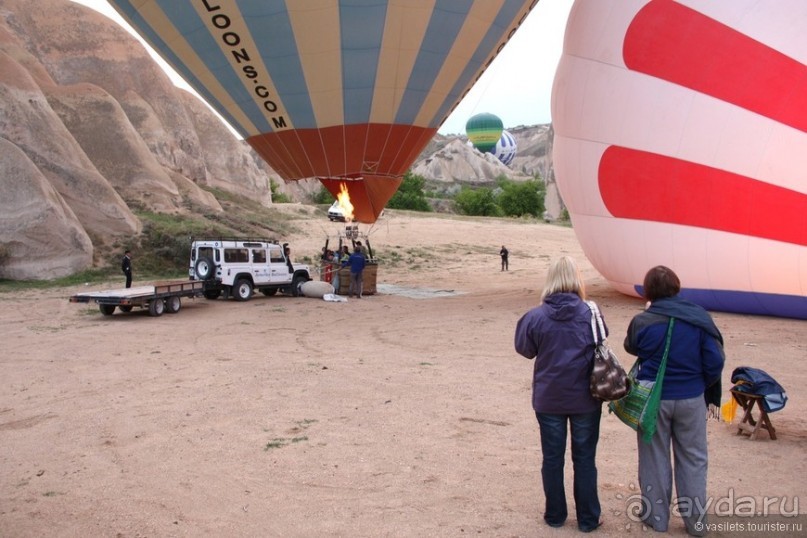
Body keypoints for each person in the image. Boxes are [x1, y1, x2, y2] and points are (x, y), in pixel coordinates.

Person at [623, 266, 724, 535]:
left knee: (654, 458)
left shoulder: (643, 321)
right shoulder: (698, 317)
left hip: (653, 400)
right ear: (677, 287)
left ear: (649, 291)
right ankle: (696, 523)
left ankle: (657, 519)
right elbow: (715, 361)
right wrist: (701, 384)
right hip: (691, 398)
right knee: (693, 459)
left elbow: (631, 347)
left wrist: (648, 314)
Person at [514, 256, 603, 532]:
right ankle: (588, 518)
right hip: (586, 397)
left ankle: (555, 514)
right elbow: (602, 340)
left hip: (549, 398)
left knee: (552, 458)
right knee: (585, 458)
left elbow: (525, 349)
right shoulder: (591, 313)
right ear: (577, 279)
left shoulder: (535, 316)